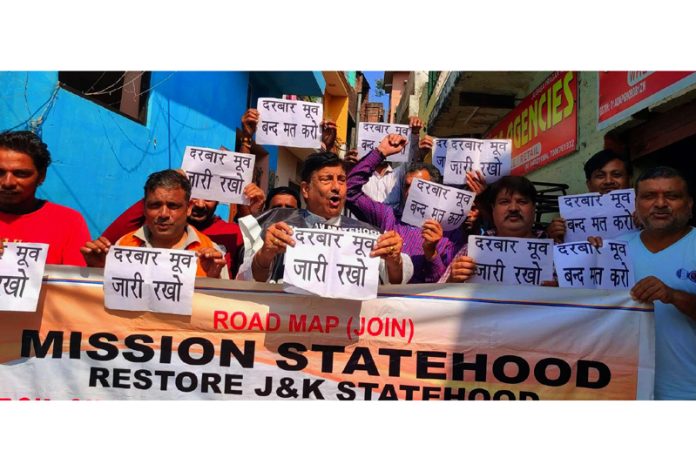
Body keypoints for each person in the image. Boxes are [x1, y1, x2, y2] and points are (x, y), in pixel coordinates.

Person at [590, 166, 696, 399]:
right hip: (623, 390)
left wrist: (673, 296)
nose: (660, 204)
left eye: (672, 196)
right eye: (649, 196)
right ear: (636, 204)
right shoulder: (613, 248)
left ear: (689, 204)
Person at [236, 151, 412, 284]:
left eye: (342, 180)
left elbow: (395, 280)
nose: (336, 187)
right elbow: (249, 279)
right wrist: (265, 255)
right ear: (305, 189)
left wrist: (394, 261)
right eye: (327, 179)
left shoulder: (366, 234)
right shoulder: (276, 228)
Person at [347, 133, 478, 283]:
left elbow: (444, 283)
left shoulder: (451, 232)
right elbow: (349, 190)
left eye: (418, 186)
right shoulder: (388, 216)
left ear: (435, 189)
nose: (410, 191)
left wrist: (432, 253)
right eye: (407, 186)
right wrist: (380, 152)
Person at [82, 170, 227, 278]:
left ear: (188, 208)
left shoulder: (211, 252)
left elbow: (220, 310)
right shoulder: (124, 245)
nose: (163, 214)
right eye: (155, 205)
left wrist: (213, 279)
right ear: (144, 207)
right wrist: (98, 270)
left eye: (173, 206)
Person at [0, 130, 90, 266]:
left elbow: (74, 283)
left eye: (21, 174)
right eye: (0, 173)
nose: (8, 182)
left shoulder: (68, 222)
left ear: (41, 176)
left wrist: (96, 268)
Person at [441, 176, 547, 283]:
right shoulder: (470, 251)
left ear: (534, 208)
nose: (513, 208)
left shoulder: (556, 253)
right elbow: (436, 296)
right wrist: (452, 280)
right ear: (493, 209)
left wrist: (560, 293)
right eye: (504, 202)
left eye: (522, 201)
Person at [547, 149, 633, 243]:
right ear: (589, 185)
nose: (609, 181)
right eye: (600, 176)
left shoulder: (644, 213)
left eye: (616, 175)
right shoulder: (570, 220)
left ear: (629, 181)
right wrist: (556, 239)